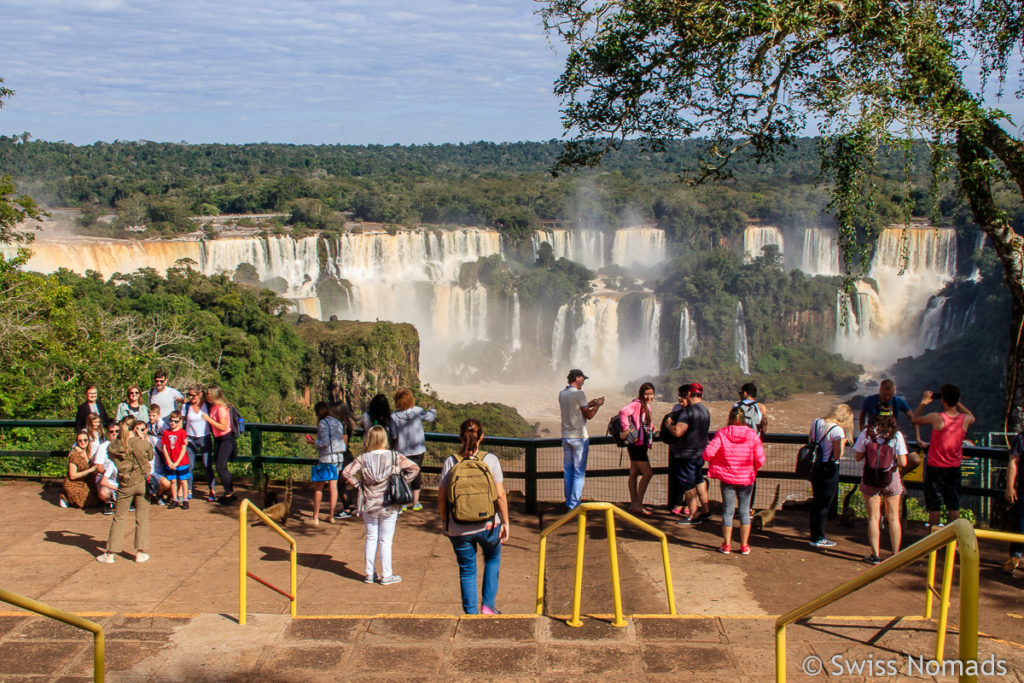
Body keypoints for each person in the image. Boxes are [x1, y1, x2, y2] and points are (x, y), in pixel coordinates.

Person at [438, 418, 510, 614]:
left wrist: (445, 522)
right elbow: (501, 495)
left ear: (461, 437)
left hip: (459, 527)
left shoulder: (451, 462)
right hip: (488, 525)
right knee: (493, 559)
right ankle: (488, 605)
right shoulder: (490, 460)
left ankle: (471, 614)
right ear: (482, 437)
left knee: (467, 570)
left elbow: (442, 498)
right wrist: (505, 522)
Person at [342, 425, 419, 585]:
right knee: (385, 539)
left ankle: (369, 573)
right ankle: (387, 575)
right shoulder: (394, 457)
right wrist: (402, 482)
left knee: (371, 538)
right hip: (388, 502)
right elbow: (414, 468)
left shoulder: (363, 458)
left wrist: (358, 485)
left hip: (368, 502)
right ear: (384, 439)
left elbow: (346, 472)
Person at [702, 406, 765, 554]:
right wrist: (752, 467)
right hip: (746, 478)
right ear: (744, 420)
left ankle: (727, 545)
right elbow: (761, 459)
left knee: (728, 511)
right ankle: (744, 545)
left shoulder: (722, 434)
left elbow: (707, 454)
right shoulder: (752, 435)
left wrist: (721, 461)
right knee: (744, 512)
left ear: (729, 418)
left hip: (728, 478)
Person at [911, 384, 975, 527]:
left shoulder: (936, 417)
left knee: (934, 506)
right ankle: (952, 542)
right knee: (953, 506)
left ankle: (931, 542)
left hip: (935, 468)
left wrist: (923, 402)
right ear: (957, 399)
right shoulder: (964, 419)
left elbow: (915, 419)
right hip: (954, 468)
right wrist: (958, 403)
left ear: (943, 400)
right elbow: (972, 416)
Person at [854, 414, 909, 565]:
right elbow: (903, 462)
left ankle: (875, 555)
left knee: (873, 518)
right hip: (890, 479)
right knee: (893, 518)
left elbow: (858, 457)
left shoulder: (866, 434)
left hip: (870, 479)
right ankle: (895, 555)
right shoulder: (896, 435)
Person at [97, 417, 153, 564]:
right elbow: (151, 455)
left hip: (125, 483)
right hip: (142, 482)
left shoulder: (115, 445)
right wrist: (142, 438)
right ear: (135, 428)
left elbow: (110, 455)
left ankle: (110, 553)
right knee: (142, 517)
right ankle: (140, 552)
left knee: (119, 517)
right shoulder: (142, 443)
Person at [807, 404, 854, 549]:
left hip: (816, 466)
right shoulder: (838, 430)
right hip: (829, 468)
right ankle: (818, 537)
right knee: (824, 503)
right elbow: (837, 454)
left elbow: (810, 442)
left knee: (816, 501)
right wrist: (844, 441)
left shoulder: (817, 422)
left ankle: (814, 533)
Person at [664, 383, 712, 525]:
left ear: (689, 395)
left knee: (688, 483)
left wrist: (668, 424)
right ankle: (706, 510)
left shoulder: (688, 411)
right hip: (700, 452)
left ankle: (693, 515)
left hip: (686, 454)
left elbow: (678, 431)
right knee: (699, 480)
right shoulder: (705, 410)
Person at [558, 369, 604, 510]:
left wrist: (588, 403)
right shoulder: (579, 394)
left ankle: (568, 502)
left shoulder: (562, 394)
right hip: (579, 438)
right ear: (577, 378)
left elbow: (575, 409)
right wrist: (597, 405)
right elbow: (588, 415)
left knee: (568, 471)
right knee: (579, 472)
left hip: (566, 438)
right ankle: (574, 503)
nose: (584, 381)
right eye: (582, 378)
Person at [388, 388, 436, 512]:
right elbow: (431, 418)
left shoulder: (394, 416)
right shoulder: (417, 411)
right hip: (418, 450)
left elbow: (393, 435)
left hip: (402, 450)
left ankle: (403, 501)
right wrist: (433, 410)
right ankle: (415, 502)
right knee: (416, 474)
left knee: (402, 474)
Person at [304, 401, 347, 525]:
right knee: (333, 488)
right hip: (339, 457)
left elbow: (324, 443)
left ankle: (315, 517)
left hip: (327, 459)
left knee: (319, 488)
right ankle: (331, 516)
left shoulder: (323, 423)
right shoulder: (337, 422)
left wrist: (313, 442)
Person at [618, 382, 656, 515]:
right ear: (641, 393)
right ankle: (638, 503)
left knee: (634, 473)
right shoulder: (636, 404)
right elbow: (623, 412)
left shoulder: (646, 406)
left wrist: (652, 427)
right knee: (648, 473)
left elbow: (645, 422)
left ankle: (634, 504)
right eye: (646, 394)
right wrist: (625, 428)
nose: (648, 396)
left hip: (640, 444)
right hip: (637, 445)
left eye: (651, 394)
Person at [201, 384, 237, 505]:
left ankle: (229, 493)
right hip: (219, 440)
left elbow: (223, 426)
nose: (206, 396)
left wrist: (209, 419)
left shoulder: (221, 408)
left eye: (208, 394)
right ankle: (229, 492)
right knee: (221, 466)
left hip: (226, 439)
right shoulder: (213, 406)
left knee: (221, 466)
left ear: (213, 395)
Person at [859, 378, 922, 444]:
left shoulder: (898, 401)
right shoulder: (869, 400)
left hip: (891, 438)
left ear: (894, 391)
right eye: (884, 395)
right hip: (873, 438)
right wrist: (862, 431)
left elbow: (913, 419)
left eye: (890, 395)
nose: (887, 398)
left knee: (913, 454)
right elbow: (862, 415)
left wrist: (918, 438)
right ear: (880, 390)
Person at [184, 384, 214, 501]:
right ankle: (189, 489)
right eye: (189, 395)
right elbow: (181, 420)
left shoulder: (207, 406)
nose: (191, 397)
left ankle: (212, 490)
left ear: (200, 394)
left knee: (207, 465)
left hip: (205, 437)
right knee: (189, 465)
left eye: (193, 395)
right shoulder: (186, 406)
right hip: (190, 438)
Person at [61, 430, 101, 509]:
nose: (83, 442)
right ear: (77, 442)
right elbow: (72, 476)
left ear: (88, 441)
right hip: (74, 483)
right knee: (88, 502)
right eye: (80, 441)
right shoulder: (74, 455)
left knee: (98, 500)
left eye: (85, 440)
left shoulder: (89, 452)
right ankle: (66, 497)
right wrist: (89, 470)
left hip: (85, 482)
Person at [161, 411, 189, 510]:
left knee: (183, 480)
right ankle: (174, 499)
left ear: (179, 421)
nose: (172, 423)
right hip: (170, 461)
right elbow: (164, 447)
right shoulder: (166, 433)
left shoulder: (182, 432)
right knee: (173, 481)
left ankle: (185, 499)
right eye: (171, 420)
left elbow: (183, 448)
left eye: (175, 421)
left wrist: (176, 462)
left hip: (181, 462)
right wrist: (169, 461)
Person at [1005, 430, 1023, 576]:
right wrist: (1010, 487)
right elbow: (1013, 461)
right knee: (1021, 524)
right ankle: (1014, 557)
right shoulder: (1021, 437)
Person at [94, 422, 120, 515]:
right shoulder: (102, 447)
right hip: (107, 477)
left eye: (117, 431)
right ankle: (108, 502)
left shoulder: (124, 445)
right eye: (111, 431)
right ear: (108, 433)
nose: (114, 433)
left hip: (120, 476)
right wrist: (109, 472)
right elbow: (98, 466)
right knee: (103, 492)